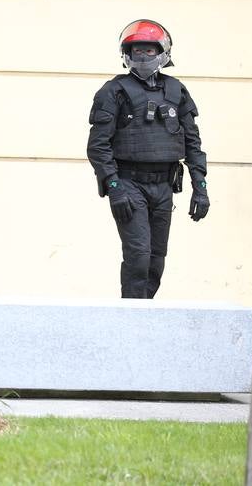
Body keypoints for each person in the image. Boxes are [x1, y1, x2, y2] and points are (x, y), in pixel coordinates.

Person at [87, 19, 209, 299]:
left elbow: (192, 143)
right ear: (127, 53)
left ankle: (145, 312)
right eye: (136, 50)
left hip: (164, 186)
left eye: (149, 50)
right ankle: (133, 317)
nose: (142, 56)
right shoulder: (114, 91)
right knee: (138, 257)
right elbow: (98, 146)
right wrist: (114, 187)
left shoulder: (176, 91)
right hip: (130, 185)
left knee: (156, 260)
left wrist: (200, 187)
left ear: (163, 52)